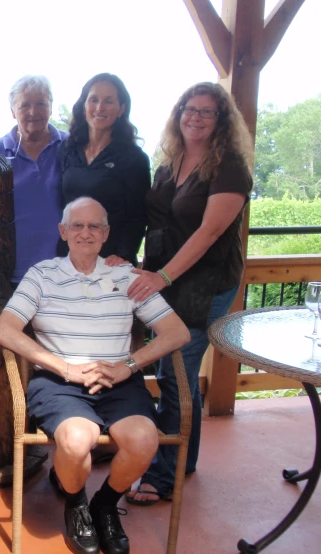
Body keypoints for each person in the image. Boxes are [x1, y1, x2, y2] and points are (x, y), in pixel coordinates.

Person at [0, 198, 190, 554]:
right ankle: (76, 503)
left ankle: (104, 505)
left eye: (95, 226)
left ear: (106, 233)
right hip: (59, 382)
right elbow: (5, 331)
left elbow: (177, 332)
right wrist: (65, 367)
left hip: (119, 380)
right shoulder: (41, 275)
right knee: (75, 441)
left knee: (144, 441)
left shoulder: (126, 276)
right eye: (77, 226)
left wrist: (127, 366)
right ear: (63, 231)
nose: (86, 233)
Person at [125, 82, 254, 506]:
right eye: (188, 109)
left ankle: (165, 478)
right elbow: (162, 223)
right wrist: (144, 266)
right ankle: (185, 458)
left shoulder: (229, 166)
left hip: (206, 281)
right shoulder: (172, 161)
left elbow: (210, 231)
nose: (194, 118)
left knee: (175, 372)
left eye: (206, 112)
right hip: (169, 274)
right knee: (176, 373)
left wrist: (161, 276)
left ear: (222, 121)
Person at [59, 73, 150, 266]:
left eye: (109, 101)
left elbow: (138, 217)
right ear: (84, 105)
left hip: (110, 262)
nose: (100, 107)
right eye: (94, 100)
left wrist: (124, 255)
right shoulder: (67, 150)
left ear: (121, 109)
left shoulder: (134, 159)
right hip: (68, 259)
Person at [0, 75, 68, 285]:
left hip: (65, 271)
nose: (33, 112)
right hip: (11, 274)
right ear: (12, 111)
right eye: (25, 105)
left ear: (51, 107)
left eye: (41, 103)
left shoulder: (71, 147)